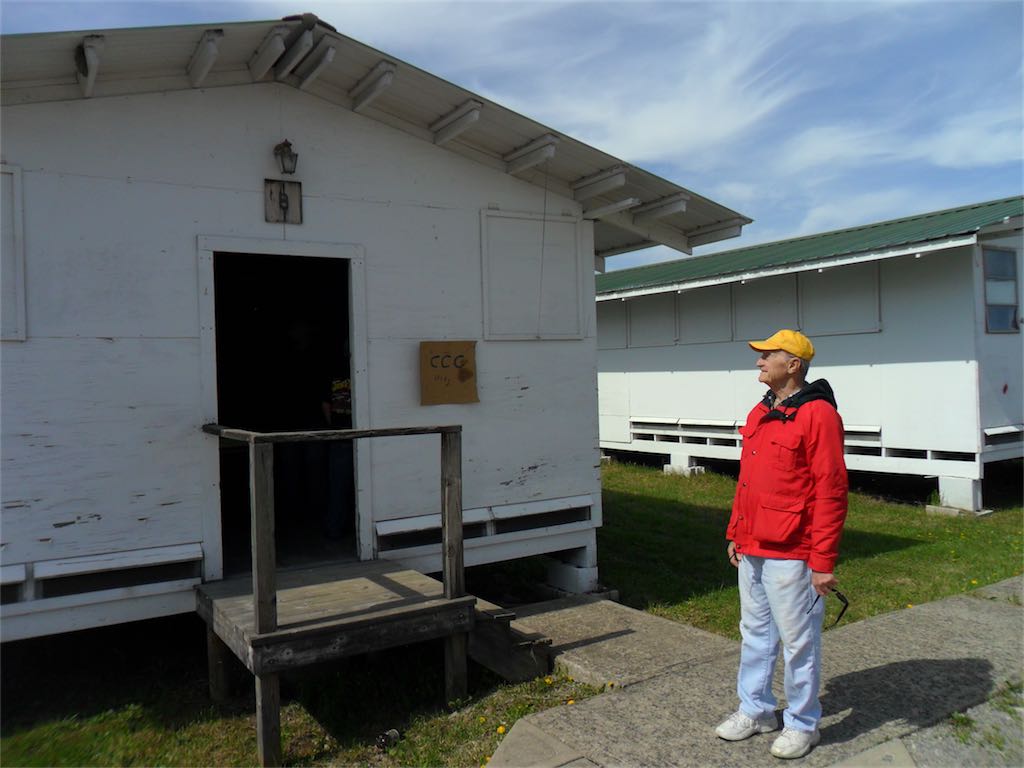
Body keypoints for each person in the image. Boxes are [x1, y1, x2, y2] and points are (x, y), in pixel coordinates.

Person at [715, 329, 848, 760]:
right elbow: (749, 481)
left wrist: (823, 559)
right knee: (754, 633)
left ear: (793, 365)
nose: (758, 362)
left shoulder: (818, 415)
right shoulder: (761, 411)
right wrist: (736, 532)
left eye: (766, 355)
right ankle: (755, 710)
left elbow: (831, 490)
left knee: (798, 642)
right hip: (753, 547)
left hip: (794, 551)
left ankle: (803, 724)